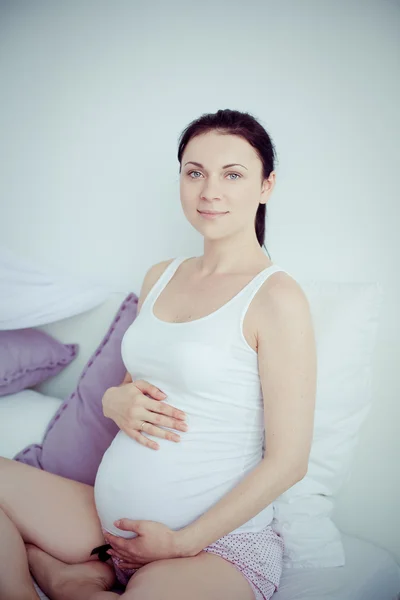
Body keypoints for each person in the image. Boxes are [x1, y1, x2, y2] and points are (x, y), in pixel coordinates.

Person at [0, 108, 317, 600]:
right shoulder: (161, 276)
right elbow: (138, 385)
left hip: (212, 547)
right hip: (111, 529)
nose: (210, 191)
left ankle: (69, 580)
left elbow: (289, 461)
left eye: (233, 174)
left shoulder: (276, 298)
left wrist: (179, 542)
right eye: (195, 173)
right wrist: (113, 400)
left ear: (266, 186)